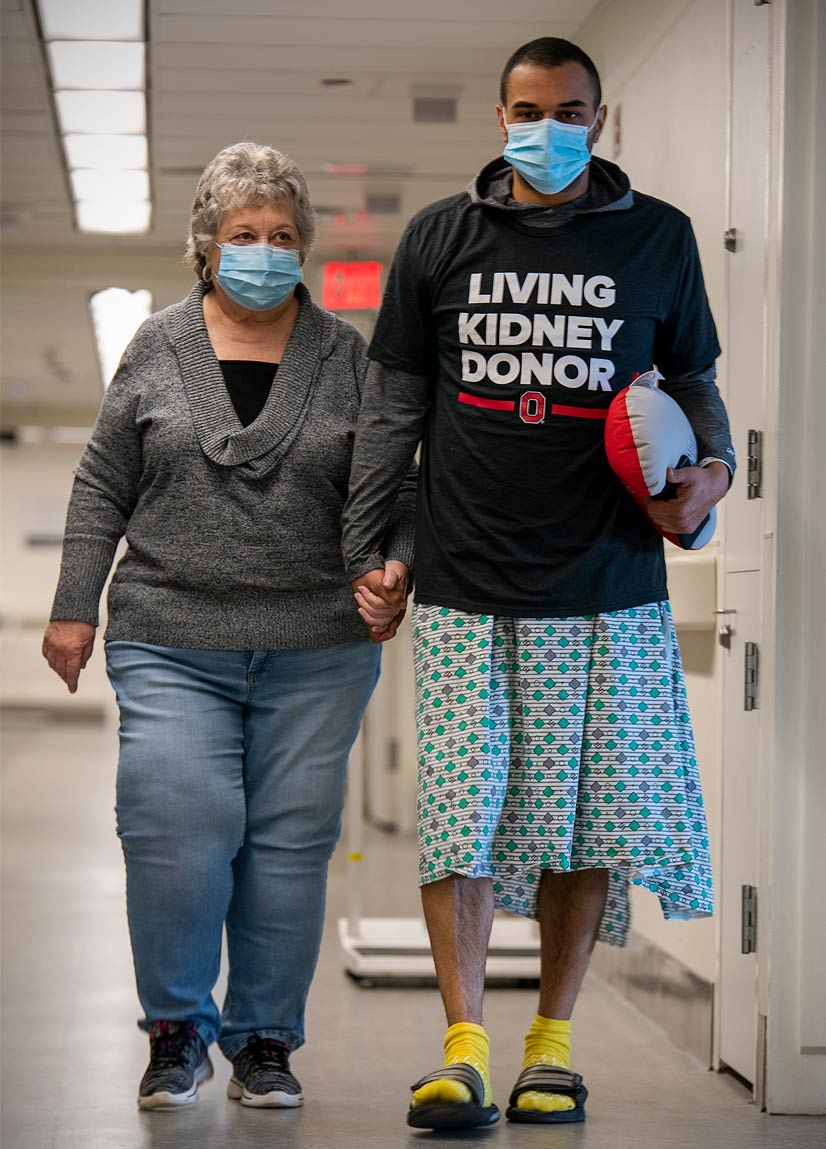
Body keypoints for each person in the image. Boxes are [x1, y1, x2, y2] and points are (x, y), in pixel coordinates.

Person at [341, 38, 734, 1131]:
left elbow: (698, 388)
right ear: (498, 115)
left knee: (589, 824)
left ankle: (550, 1047)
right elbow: (392, 412)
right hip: (467, 581)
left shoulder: (658, 238)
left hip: (610, 584)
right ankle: (462, 1049)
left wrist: (713, 477)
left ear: (599, 121)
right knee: (460, 817)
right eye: (527, 110)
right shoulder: (439, 238)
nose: (547, 129)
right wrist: (370, 551)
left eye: (569, 111)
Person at [42, 142, 411, 1112]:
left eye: (282, 235)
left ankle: (264, 1043)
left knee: (288, 847)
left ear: (305, 248)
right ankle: (174, 1034)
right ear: (206, 248)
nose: (263, 249)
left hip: (318, 646)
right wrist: (75, 606)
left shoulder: (344, 356)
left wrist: (394, 565)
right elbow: (100, 488)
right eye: (243, 235)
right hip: (170, 634)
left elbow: (391, 490)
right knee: (176, 828)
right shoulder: (157, 348)